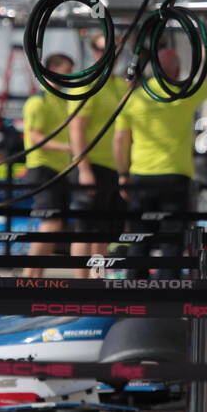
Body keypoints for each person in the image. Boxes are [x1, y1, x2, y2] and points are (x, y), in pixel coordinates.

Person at [115, 47, 207, 275]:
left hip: (141, 176)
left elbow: (120, 140)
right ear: (176, 71)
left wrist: (122, 173)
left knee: (139, 238)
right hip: (175, 175)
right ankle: (169, 293)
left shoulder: (135, 98)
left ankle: (132, 290)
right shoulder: (182, 95)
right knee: (172, 239)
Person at [68, 35, 128, 275]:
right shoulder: (86, 84)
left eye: (113, 50)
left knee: (104, 230)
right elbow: (76, 128)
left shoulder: (121, 85)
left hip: (114, 166)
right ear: (94, 53)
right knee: (85, 229)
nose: (108, 55)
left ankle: (97, 280)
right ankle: (80, 284)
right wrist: (84, 169)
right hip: (91, 166)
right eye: (103, 50)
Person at [21, 54, 76, 277]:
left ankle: (35, 276)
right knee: (50, 223)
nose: (71, 76)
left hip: (59, 169)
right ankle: (29, 276)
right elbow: (35, 137)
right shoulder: (38, 101)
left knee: (55, 225)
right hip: (43, 168)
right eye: (66, 70)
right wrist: (67, 148)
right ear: (52, 69)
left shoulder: (62, 100)